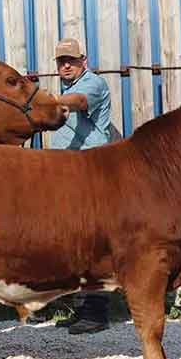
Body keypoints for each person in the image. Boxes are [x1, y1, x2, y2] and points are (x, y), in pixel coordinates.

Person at [47, 37, 113, 335]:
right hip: (69, 174)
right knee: (74, 241)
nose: (66, 65)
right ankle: (83, 308)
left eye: (71, 60)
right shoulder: (66, 89)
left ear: (83, 61)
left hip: (90, 173)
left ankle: (97, 312)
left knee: (93, 241)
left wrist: (48, 102)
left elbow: (79, 103)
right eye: (61, 61)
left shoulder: (92, 85)